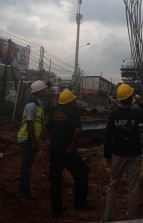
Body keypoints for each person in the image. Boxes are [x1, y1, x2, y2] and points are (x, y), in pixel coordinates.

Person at [100, 84, 143, 223]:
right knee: (132, 187)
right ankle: (130, 219)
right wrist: (140, 103)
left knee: (113, 185)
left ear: (119, 99)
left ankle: (106, 216)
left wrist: (107, 155)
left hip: (118, 154)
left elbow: (108, 136)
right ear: (131, 99)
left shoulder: (113, 115)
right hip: (134, 154)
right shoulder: (135, 114)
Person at [45, 89, 93, 220]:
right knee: (82, 173)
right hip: (67, 151)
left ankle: (57, 210)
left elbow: (46, 128)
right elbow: (77, 130)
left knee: (55, 180)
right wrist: (73, 144)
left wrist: (53, 140)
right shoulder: (73, 114)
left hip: (54, 150)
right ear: (70, 102)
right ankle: (80, 202)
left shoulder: (56, 114)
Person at [17, 80, 47, 200]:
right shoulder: (32, 105)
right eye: (44, 89)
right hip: (27, 139)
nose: (46, 90)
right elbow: (30, 125)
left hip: (30, 138)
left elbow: (37, 123)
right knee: (26, 164)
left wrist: (41, 136)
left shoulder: (39, 105)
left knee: (28, 163)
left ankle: (24, 186)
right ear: (39, 91)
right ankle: (23, 189)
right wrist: (34, 142)